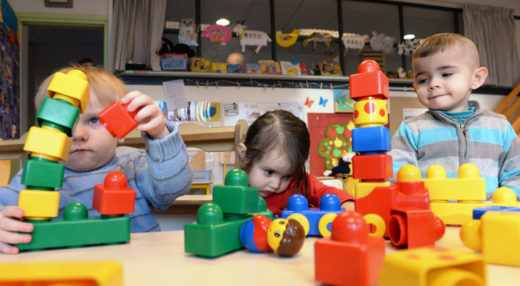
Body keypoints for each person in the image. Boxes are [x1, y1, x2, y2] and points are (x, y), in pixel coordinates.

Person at [0, 66, 192, 254]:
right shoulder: (33, 178)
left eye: (93, 121)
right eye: (64, 124)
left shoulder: (133, 168)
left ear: (121, 128)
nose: (78, 134)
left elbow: (175, 185)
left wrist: (160, 134)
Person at [390, 33, 520, 198]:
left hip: (489, 217)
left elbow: (517, 174)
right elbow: (396, 176)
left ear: (476, 78)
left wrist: (506, 202)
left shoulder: (499, 127)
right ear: (415, 88)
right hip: (433, 218)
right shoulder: (412, 130)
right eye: (423, 80)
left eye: (446, 74)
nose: (433, 84)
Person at [237, 110, 355, 216]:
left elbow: (330, 194)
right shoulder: (235, 189)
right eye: (269, 172)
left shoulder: (300, 183)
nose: (276, 185)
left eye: (287, 176)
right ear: (245, 154)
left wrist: (347, 206)